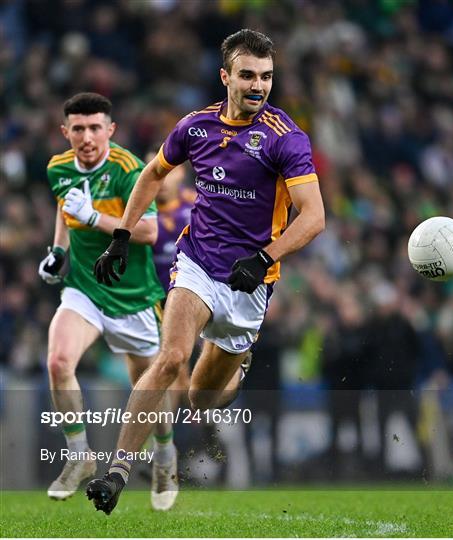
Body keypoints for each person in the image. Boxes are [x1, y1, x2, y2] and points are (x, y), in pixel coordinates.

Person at [87, 29, 325, 514]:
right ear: (225, 77)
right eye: (248, 75)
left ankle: (238, 364)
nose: (258, 85)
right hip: (197, 261)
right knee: (171, 357)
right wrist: (121, 236)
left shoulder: (286, 139)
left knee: (201, 401)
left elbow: (314, 216)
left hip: (250, 282)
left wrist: (264, 258)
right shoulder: (195, 127)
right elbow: (153, 174)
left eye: (267, 76)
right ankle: (117, 471)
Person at [39, 92, 178, 511]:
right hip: (84, 288)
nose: (87, 136)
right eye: (78, 128)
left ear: (110, 130)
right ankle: (80, 455)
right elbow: (67, 211)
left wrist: (96, 217)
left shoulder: (127, 169)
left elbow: (151, 232)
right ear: (66, 132)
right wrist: (58, 252)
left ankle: (166, 456)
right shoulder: (57, 168)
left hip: (133, 297)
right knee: (58, 361)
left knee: (148, 386)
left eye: (95, 127)